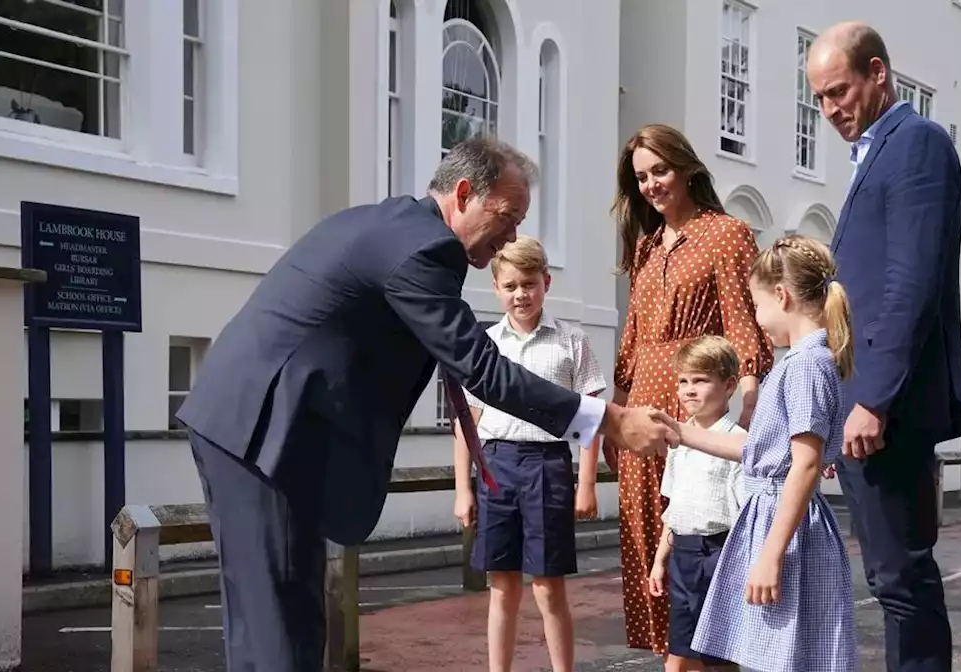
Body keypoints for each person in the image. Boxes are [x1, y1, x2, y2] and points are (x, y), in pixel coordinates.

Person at [173, 137, 679, 671]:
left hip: (259, 423)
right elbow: (481, 367)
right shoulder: (422, 248)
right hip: (260, 427)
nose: (512, 235)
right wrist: (610, 420)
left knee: (286, 616)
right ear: (463, 194)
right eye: (507, 217)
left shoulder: (398, 227)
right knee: (275, 623)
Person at [806, 22, 961, 672]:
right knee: (892, 580)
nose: (830, 110)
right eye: (820, 98)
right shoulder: (883, 150)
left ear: (879, 72)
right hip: (869, 405)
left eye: (839, 90)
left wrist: (873, 398)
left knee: (902, 582)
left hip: (889, 412)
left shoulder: (917, 144)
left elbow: (911, 283)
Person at [608, 123, 775, 655]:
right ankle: (671, 657)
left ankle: (710, 655)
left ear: (685, 168)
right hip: (641, 411)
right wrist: (615, 420)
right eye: (641, 177)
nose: (652, 185)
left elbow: (745, 328)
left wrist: (747, 408)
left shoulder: (726, 233)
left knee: (705, 540)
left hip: (697, 412)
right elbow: (631, 340)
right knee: (646, 543)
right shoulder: (646, 247)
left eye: (660, 170)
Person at [667, 236, 858, 672]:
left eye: (756, 305)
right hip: (778, 518)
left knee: (789, 657)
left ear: (781, 296)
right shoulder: (802, 363)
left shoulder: (805, 366)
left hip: (783, 526)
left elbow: (805, 464)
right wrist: (680, 432)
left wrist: (771, 553)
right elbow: (760, 453)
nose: (756, 318)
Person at [451, 235, 606, 672]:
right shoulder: (483, 346)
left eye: (530, 284)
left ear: (546, 283)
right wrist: (462, 488)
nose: (521, 294)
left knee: (548, 587)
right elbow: (467, 423)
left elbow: (590, 416)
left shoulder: (571, 342)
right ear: (496, 288)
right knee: (502, 586)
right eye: (511, 286)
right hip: (496, 466)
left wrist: (587, 483)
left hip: (547, 466)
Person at [647, 335, 747, 672]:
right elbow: (673, 510)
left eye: (701, 380)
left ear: (729, 385)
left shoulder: (738, 443)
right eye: (683, 381)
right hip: (683, 556)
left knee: (718, 659)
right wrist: (661, 560)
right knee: (677, 658)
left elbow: (746, 514)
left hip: (720, 554)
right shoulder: (678, 439)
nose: (689, 389)